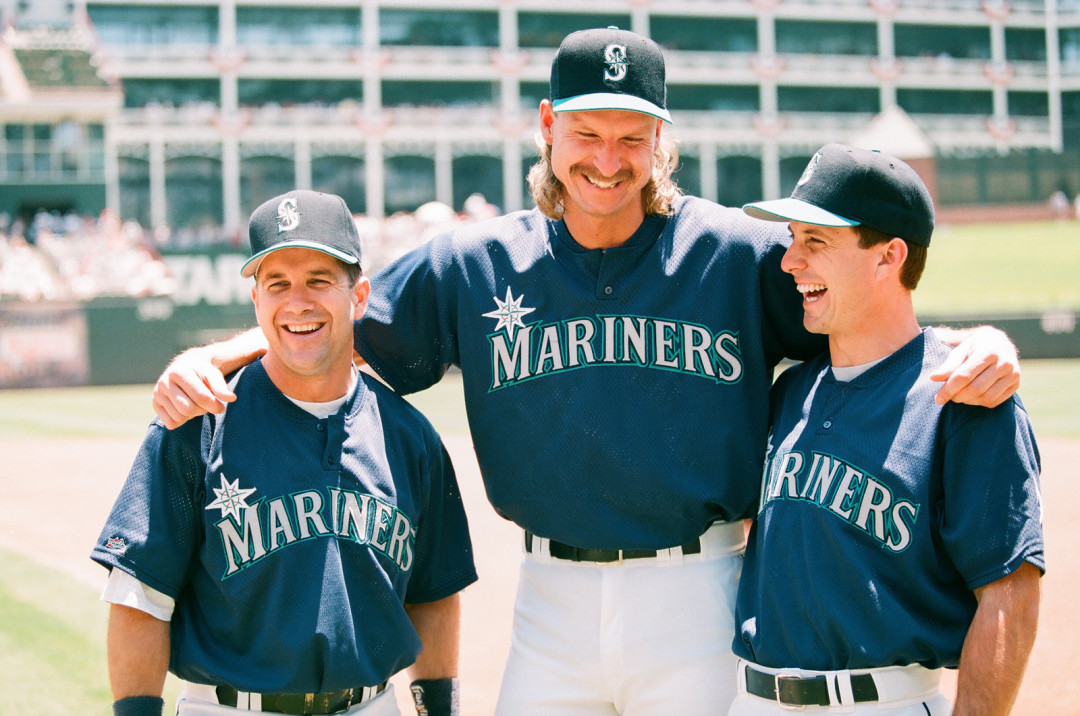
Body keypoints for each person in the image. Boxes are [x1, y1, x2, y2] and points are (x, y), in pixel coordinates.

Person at [150, 29, 1022, 716]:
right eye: (587, 133)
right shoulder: (473, 265)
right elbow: (322, 324)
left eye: (632, 137)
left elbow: (868, 296)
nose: (608, 159)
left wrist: (977, 343)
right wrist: (217, 352)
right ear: (546, 126)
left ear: (660, 142)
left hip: (701, 590)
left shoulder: (736, 254)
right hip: (549, 600)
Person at [92, 190, 477, 716]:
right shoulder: (196, 425)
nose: (298, 301)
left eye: (318, 280)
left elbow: (433, 594)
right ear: (257, 302)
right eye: (278, 284)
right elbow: (141, 600)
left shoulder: (410, 437)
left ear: (359, 296)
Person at [732, 145, 1044, 715]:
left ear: (888, 257)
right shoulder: (790, 392)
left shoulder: (967, 396)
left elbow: (1010, 594)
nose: (789, 262)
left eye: (816, 242)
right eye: (793, 240)